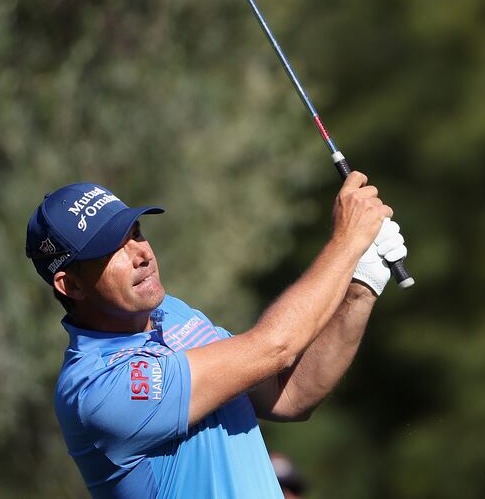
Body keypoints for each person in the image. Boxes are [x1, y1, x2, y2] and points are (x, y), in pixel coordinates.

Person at [25, 174, 405, 498]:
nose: (141, 253)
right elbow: (275, 347)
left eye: (136, 234)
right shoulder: (98, 389)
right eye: (114, 249)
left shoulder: (171, 313)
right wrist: (346, 242)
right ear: (70, 284)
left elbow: (289, 396)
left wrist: (361, 283)